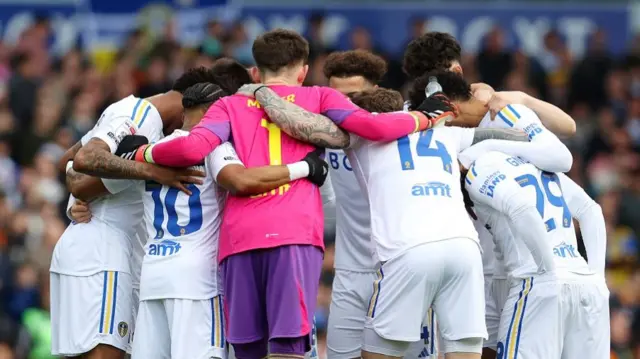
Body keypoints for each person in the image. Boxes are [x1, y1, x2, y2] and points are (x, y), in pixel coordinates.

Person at [128, 28, 449, 359]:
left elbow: (193, 148)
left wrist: (142, 153)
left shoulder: (228, 105)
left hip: (240, 239)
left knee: (247, 350)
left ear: (255, 72)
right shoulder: (320, 97)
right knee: (288, 349)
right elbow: (375, 128)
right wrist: (425, 117)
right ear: (303, 70)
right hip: (294, 234)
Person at [415, 70, 609, 359]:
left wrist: (546, 273)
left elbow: (523, 207)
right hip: (585, 281)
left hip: (536, 280)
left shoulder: (482, 164)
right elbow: (591, 210)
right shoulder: (535, 165)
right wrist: (598, 276)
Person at [129, 82, 329, 359]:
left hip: (153, 273)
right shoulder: (214, 145)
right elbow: (240, 180)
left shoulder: (151, 150)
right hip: (197, 280)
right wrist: (305, 167)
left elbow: (92, 182)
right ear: (216, 110)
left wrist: (76, 205)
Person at [50, 68, 217, 359]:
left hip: (92, 251)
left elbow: (68, 164)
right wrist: (152, 171)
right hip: (103, 255)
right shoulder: (141, 117)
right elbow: (84, 161)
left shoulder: (128, 110)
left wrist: (76, 198)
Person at [319, 49, 438, 359]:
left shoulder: (404, 128)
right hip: (350, 270)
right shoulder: (322, 133)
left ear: (375, 91)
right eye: (335, 97)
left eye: (354, 95)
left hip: (401, 270)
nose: (343, 106)